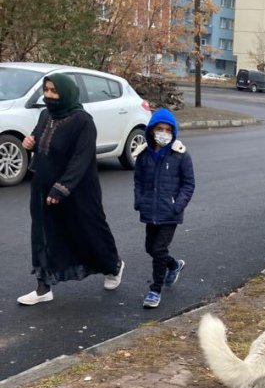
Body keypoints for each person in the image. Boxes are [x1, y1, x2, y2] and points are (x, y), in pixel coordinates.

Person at [18, 74, 124, 306]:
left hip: (78, 191)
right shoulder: (45, 114)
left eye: (54, 91)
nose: (48, 95)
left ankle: (113, 265)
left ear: (66, 93)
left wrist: (61, 189)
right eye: (46, 90)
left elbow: (81, 159)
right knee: (43, 234)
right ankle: (43, 287)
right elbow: (39, 136)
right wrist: (30, 142)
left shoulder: (83, 121)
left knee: (87, 232)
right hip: (43, 186)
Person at [134, 108, 195, 309]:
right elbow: (139, 181)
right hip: (149, 210)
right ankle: (173, 265)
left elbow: (188, 184)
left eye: (167, 130)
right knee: (150, 248)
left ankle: (155, 289)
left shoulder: (180, 155)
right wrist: (139, 200)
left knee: (159, 248)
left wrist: (177, 205)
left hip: (170, 213)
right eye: (159, 129)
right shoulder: (144, 155)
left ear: (173, 132)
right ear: (151, 130)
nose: (163, 133)